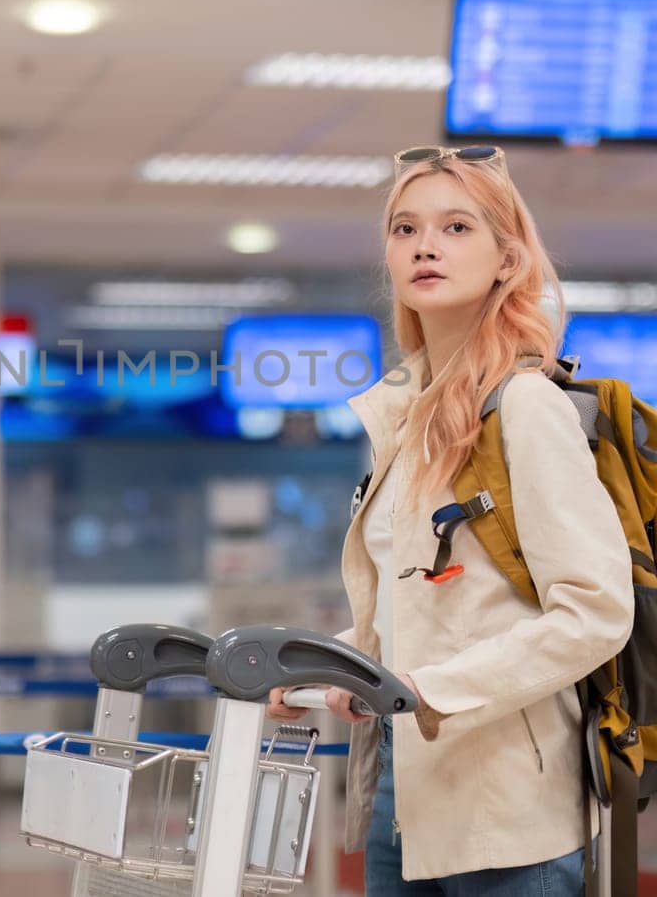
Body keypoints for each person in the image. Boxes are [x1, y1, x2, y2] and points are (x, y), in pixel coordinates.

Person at [267, 145, 634, 895]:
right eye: (405, 229)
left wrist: (428, 688)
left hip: (506, 800)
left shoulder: (526, 406)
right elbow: (424, 606)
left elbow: (595, 610)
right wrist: (320, 663)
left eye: (457, 227)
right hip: (404, 789)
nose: (425, 245)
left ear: (508, 259)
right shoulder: (404, 416)